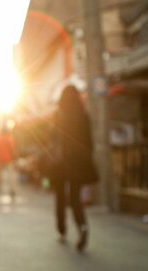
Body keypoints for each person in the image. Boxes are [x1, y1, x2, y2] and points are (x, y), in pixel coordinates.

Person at [49, 85, 98, 251]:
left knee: (60, 197)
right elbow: (90, 143)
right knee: (75, 198)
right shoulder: (84, 116)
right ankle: (82, 227)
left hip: (61, 163)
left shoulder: (58, 115)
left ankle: (62, 230)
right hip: (78, 163)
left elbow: (53, 140)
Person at [0, 121, 18, 198]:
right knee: (10, 174)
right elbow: (13, 149)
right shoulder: (10, 139)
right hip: (9, 158)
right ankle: (12, 189)